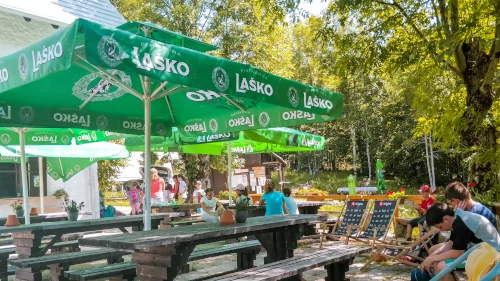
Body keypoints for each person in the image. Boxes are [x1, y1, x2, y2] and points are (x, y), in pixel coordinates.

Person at [411, 203, 500, 281]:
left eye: (440, 227)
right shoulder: (457, 218)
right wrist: (430, 258)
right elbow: (450, 244)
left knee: (441, 266)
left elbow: (458, 253)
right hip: (480, 250)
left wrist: (433, 258)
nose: (442, 230)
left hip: (491, 257)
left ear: (446, 219)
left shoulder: (461, 223)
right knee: (435, 257)